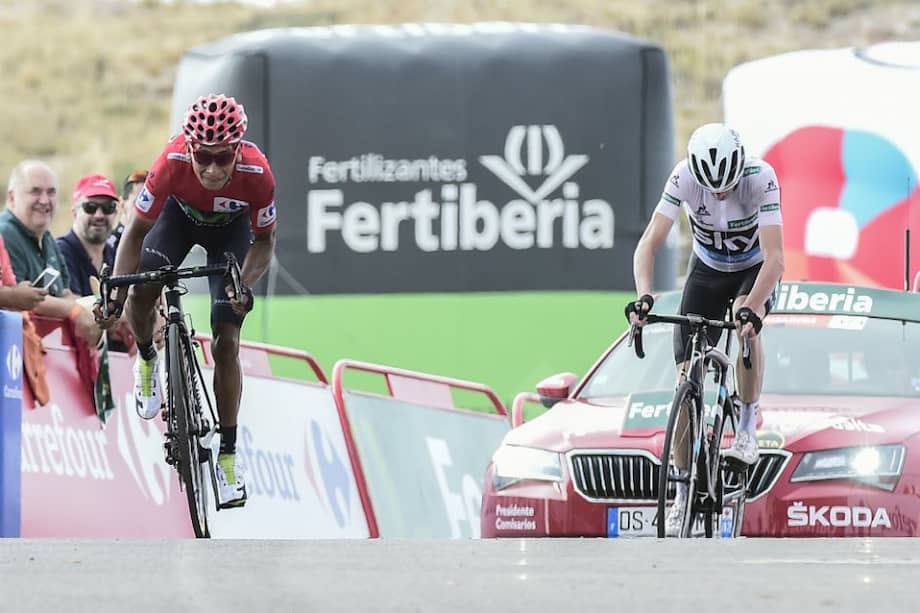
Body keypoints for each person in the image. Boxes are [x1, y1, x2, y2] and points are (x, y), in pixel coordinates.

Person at [97, 93, 277, 509]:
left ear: (237, 150)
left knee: (227, 339)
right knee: (142, 288)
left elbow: (265, 243)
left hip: (230, 236)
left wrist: (241, 285)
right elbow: (135, 235)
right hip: (176, 222)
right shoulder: (171, 161)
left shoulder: (258, 173)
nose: (213, 169)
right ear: (189, 148)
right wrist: (118, 291)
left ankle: (228, 454)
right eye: (204, 158)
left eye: (222, 158)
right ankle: (147, 357)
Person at [625, 123, 785, 535]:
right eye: (711, 189)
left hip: (753, 270)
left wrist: (751, 309)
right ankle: (680, 493)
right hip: (708, 271)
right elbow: (648, 244)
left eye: (726, 188)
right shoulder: (683, 175)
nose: (718, 196)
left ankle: (747, 429)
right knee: (685, 375)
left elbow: (776, 260)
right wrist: (645, 297)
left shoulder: (760, 178)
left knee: (746, 326)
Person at [0, 160, 101, 345]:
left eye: (51, 192)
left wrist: (96, 310)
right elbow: (22, 300)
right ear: (12, 197)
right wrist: (74, 311)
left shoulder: (46, 237)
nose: (45, 200)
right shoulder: (5, 233)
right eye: (35, 191)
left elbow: (63, 293)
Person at [57, 174, 119, 296]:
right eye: (90, 207)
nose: (99, 215)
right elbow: (73, 306)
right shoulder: (60, 253)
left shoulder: (116, 255)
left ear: (116, 213)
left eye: (108, 207)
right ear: (75, 212)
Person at [108, 169, 147, 254]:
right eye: (138, 203)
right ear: (122, 205)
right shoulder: (109, 247)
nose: (147, 209)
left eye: (152, 203)